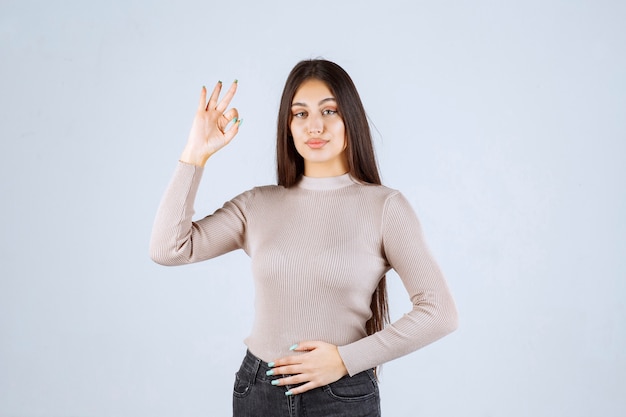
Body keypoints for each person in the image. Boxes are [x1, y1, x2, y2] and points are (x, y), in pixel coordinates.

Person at [150, 59, 458, 417]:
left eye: (329, 110)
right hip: (258, 392)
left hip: (342, 394)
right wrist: (195, 154)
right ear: (288, 127)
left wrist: (345, 360)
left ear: (350, 120)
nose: (315, 125)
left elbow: (440, 312)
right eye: (300, 114)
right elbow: (168, 249)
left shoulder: (385, 207)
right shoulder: (258, 204)